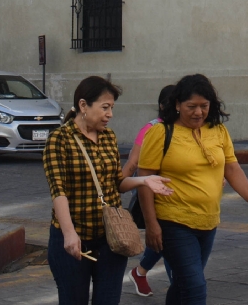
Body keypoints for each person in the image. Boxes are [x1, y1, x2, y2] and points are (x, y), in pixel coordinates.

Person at [137, 74, 248, 304]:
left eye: (204, 106)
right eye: (191, 107)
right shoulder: (160, 133)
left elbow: (232, 168)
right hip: (173, 222)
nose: (198, 112)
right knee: (195, 287)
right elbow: (145, 180)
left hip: (208, 222)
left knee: (183, 285)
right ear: (177, 105)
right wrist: (151, 225)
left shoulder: (218, 131)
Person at [42, 75, 172, 305]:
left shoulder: (109, 137)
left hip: (111, 239)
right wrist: (69, 233)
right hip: (74, 241)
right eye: (105, 107)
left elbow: (116, 183)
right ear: (83, 105)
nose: (110, 114)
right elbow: (58, 190)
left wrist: (144, 180)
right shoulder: (59, 139)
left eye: (111, 108)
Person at [129, 85, 177, 298]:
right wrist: (117, 186)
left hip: (176, 197)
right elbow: (133, 163)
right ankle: (180, 285)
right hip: (153, 195)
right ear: (162, 105)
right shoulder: (152, 128)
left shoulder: (185, 129)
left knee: (164, 240)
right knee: (167, 240)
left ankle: (140, 272)